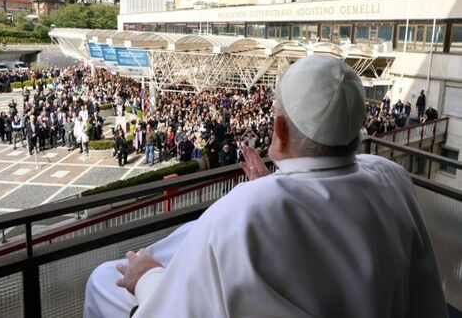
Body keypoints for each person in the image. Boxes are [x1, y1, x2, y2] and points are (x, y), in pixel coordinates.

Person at [84, 56, 447, 318]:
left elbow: (180, 308)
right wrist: (271, 186)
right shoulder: (391, 175)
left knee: (101, 280)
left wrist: (146, 276)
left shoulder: (242, 209)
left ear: (281, 130)